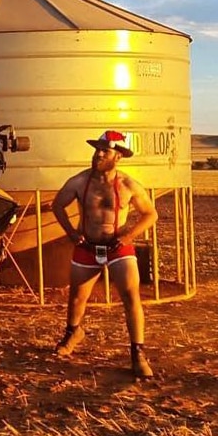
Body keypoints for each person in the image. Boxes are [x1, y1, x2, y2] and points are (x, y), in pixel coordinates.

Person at [51, 130, 159, 378]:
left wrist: (129, 236)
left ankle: (137, 354)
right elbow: (58, 205)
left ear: (117, 156)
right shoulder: (79, 181)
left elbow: (150, 214)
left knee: (131, 297)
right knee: (77, 297)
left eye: (105, 151)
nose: (98, 154)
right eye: (97, 149)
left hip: (118, 248)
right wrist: (70, 232)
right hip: (87, 246)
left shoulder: (129, 185)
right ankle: (73, 333)